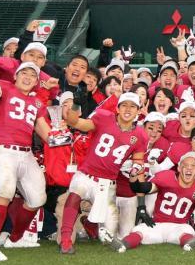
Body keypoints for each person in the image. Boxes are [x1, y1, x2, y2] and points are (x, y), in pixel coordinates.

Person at [0, 62, 53, 261]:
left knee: (38, 198)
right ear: (15, 76)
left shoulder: (37, 102)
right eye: (24, 73)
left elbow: (44, 131)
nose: (28, 77)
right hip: (5, 150)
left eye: (32, 75)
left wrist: (60, 138)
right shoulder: (4, 86)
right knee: (4, 192)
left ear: (37, 82)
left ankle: (16, 238)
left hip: (26, 153)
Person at [59, 92, 148, 254]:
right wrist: (76, 105)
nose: (128, 109)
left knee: (108, 234)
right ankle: (65, 239)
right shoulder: (104, 118)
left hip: (107, 183)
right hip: (86, 174)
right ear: (117, 108)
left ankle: (91, 224)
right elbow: (74, 122)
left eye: (132, 106)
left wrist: (135, 169)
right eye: (124, 105)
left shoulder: (140, 135)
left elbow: (139, 160)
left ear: (138, 111)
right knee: (75, 194)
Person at [112, 151, 195, 252]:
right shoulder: (166, 177)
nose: (189, 168)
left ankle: (190, 244)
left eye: (193, 166)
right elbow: (140, 188)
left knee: (187, 232)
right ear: (179, 168)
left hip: (179, 227)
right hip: (157, 225)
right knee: (139, 231)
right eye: (186, 165)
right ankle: (122, 245)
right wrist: (133, 176)